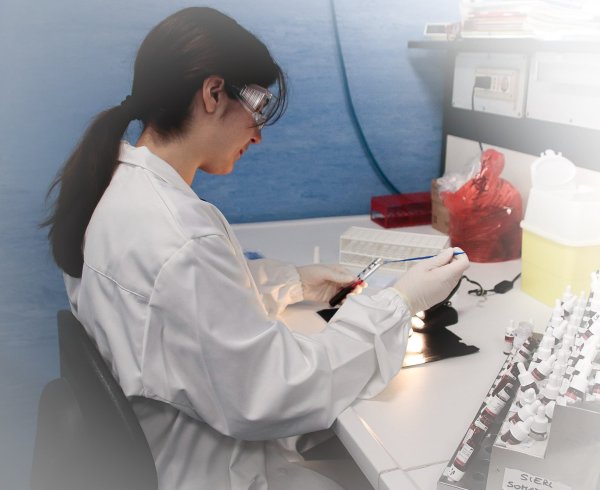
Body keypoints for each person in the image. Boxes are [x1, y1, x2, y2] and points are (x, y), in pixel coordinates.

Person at [43, 7, 469, 490]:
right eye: (259, 106)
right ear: (213, 93)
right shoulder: (180, 237)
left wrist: (292, 282)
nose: (259, 134)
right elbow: (277, 390)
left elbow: (174, 314)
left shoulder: (119, 188)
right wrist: (399, 304)